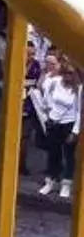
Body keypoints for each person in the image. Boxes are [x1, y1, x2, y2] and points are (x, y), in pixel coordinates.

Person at [36, 55, 79, 201]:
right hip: (53, 122)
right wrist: (48, 112)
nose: (68, 76)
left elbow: (79, 111)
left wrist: (75, 131)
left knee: (68, 155)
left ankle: (66, 183)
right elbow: (45, 94)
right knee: (53, 153)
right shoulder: (54, 82)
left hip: (69, 123)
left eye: (71, 74)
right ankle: (51, 180)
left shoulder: (78, 89)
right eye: (66, 73)